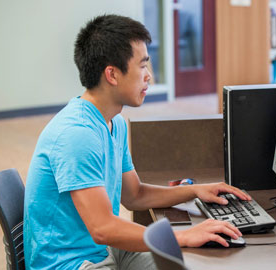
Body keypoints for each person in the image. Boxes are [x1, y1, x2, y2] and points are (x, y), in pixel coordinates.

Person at [23, 14, 251, 270]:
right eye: (142, 66)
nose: (149, 76)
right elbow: (102, 228)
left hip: (103, 250)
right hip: (69, 263)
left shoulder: (113, 122)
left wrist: (195, 191)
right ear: (112, 74)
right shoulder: (77, 134)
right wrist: (183, 236)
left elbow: (134, 195)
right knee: (182, 248)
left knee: (187, 264)